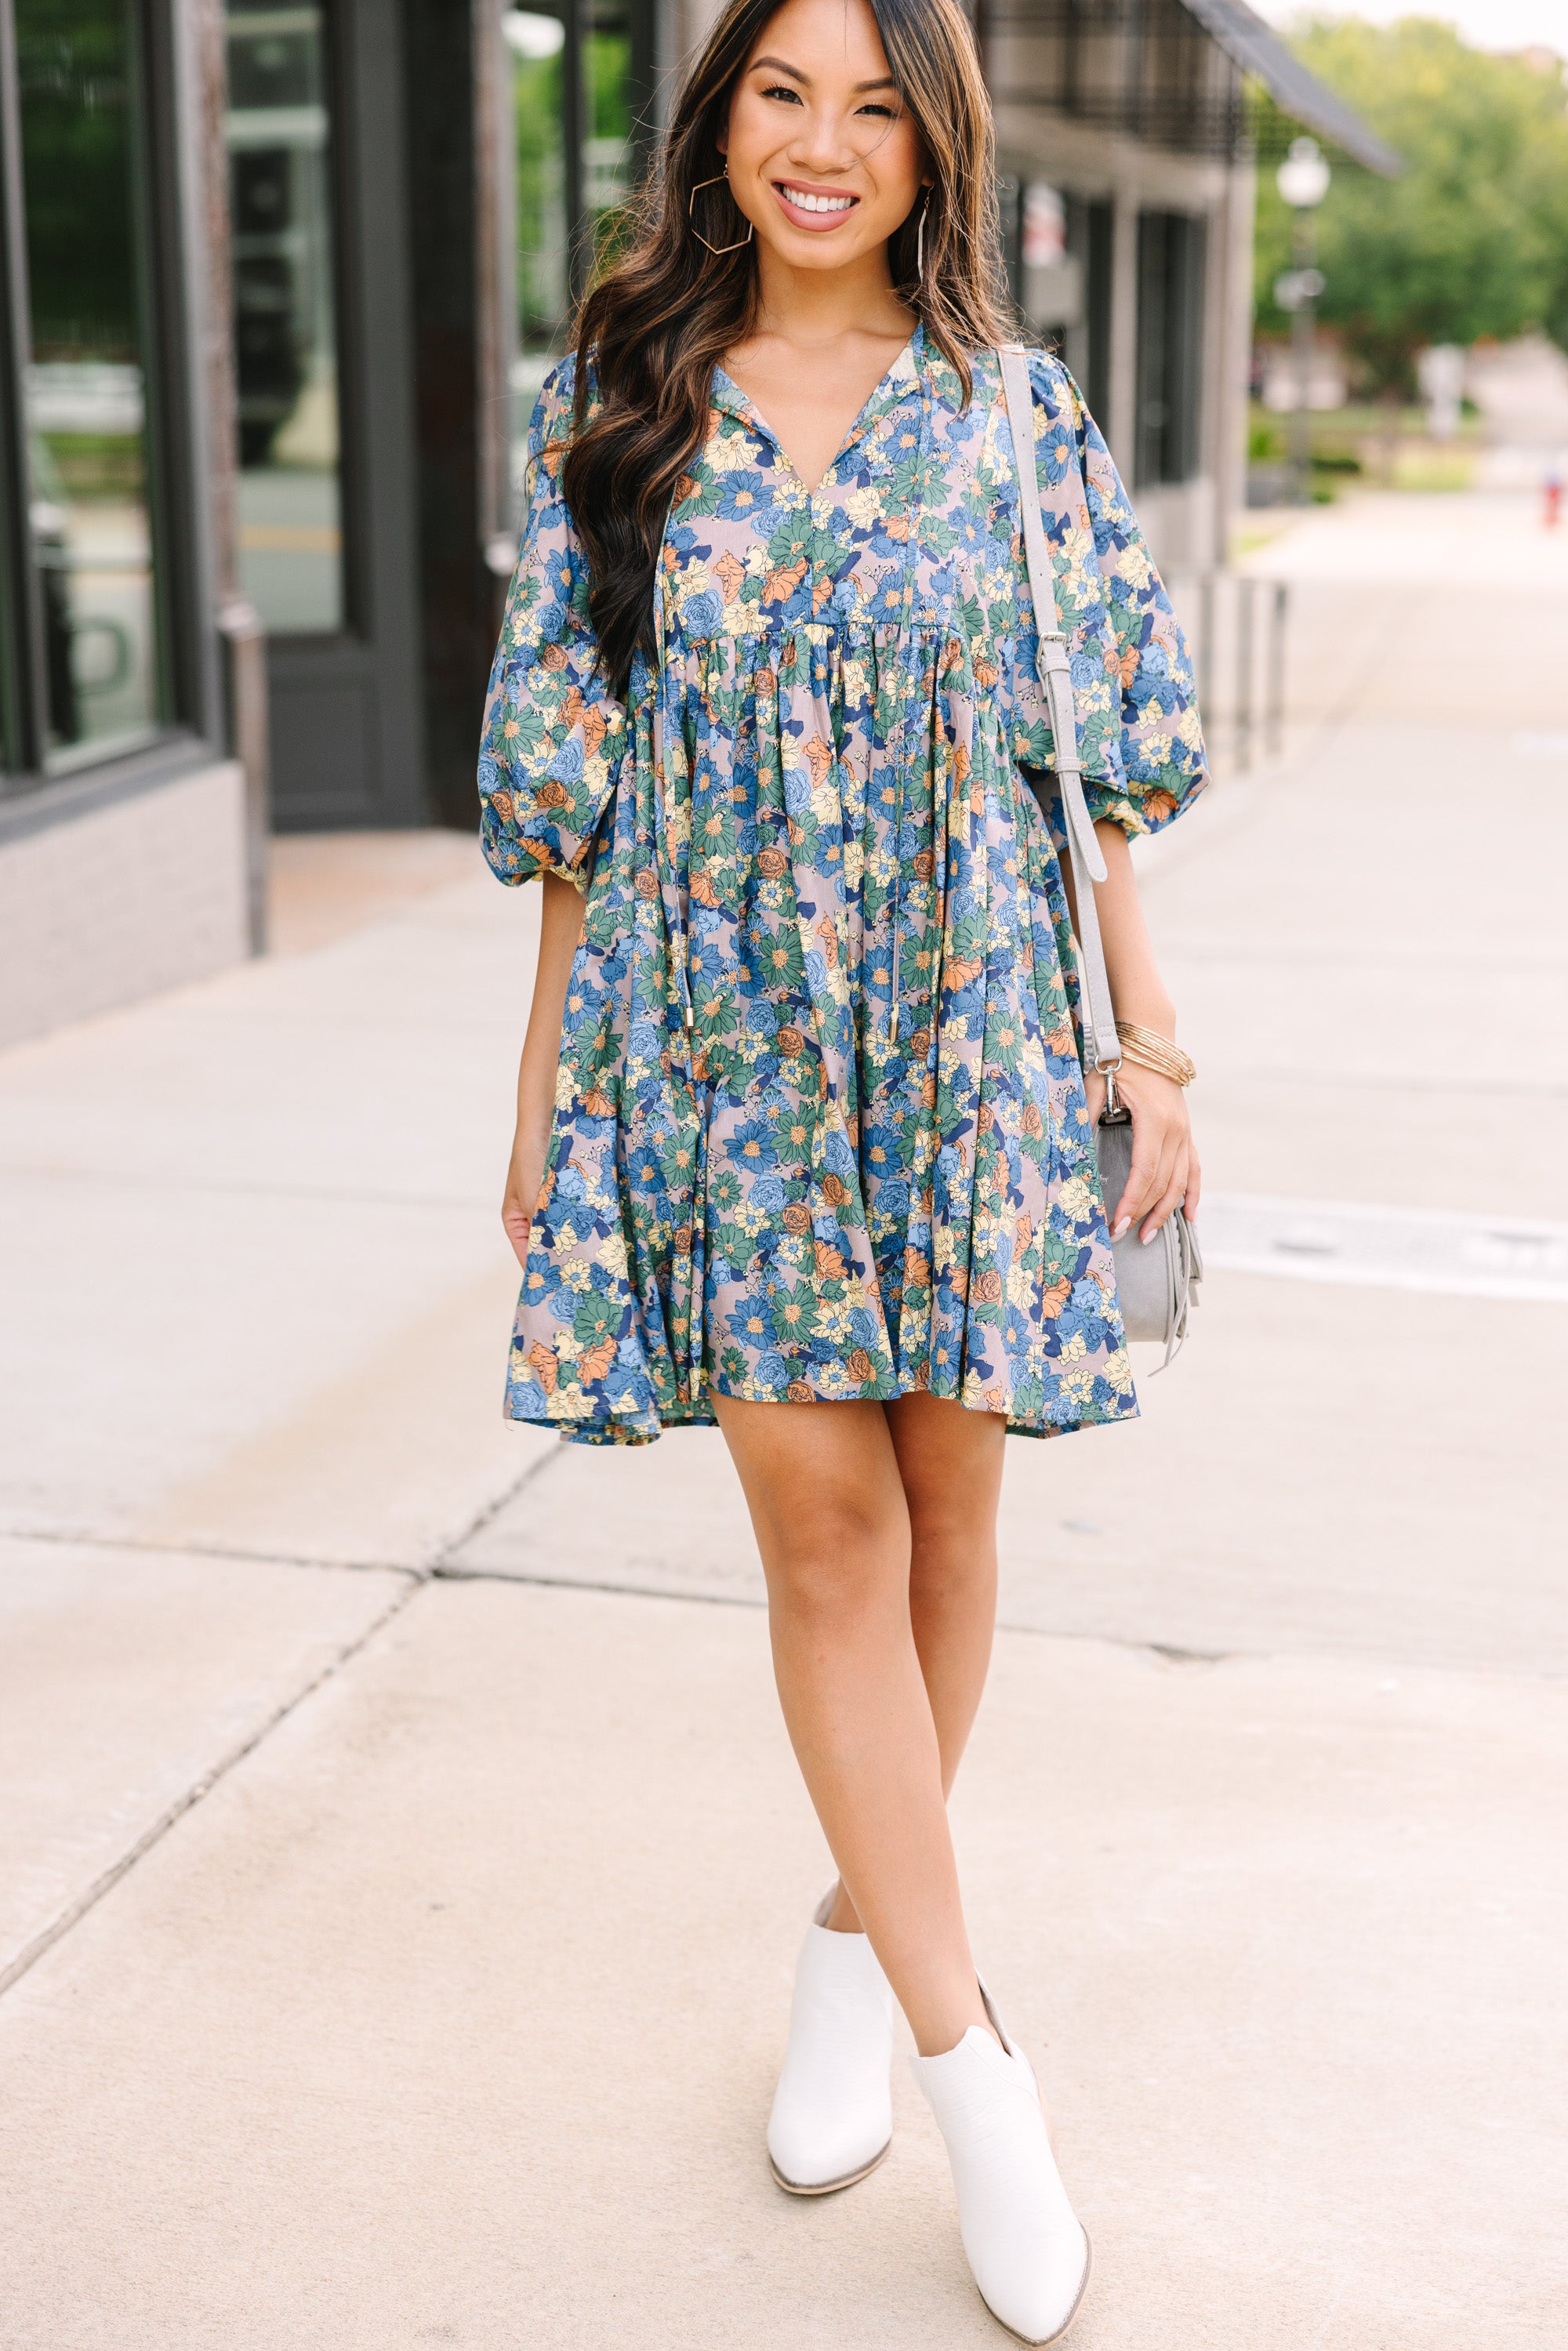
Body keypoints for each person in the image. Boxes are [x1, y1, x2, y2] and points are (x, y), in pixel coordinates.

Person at [477, 0, 1204, 2335]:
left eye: (879, 105)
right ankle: (978, 2069)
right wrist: (542, 1094)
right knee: (831, 1530)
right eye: (784, 92)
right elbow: (572, 801)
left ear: (937, 147)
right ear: (718, 126)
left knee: (958, 1525)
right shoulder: (612, 417)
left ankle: (843, 1956)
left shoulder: (1015, 416)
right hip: (724, 1045)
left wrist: (1156, 1042)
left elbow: (1092, 756)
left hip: (975, 1025)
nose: (825, 144)